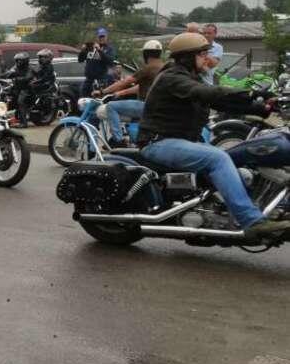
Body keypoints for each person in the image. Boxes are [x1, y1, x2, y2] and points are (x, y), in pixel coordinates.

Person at [138, 33, 290, 237]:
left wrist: (262, 108)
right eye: (202, 54)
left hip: (182, 141)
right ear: (187, 57)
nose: (207, 59)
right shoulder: (172, 78)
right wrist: (251, 93)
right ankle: (251, 221)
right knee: (218, 158)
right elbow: (209, 93)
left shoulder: (191, 78)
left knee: (240, 160)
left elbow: (220, 101)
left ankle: (250, 209)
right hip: (158, 142)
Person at [95, 41, 164, 144]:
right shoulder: (163, 67)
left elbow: (124, 82)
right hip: (158, 106)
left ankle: (118, 140)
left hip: (145, 105)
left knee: (111, 106)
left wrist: (102, 91)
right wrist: (121, 93)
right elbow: (138, 87)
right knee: (134, 120)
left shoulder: (148, 68)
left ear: (146, 54)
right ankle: (132, 141)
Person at [79, 28, 115, 96]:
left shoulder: (109, 48)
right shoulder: (90, 47)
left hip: (101, 79)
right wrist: (82, 51)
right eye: (100, 37)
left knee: (99, 98)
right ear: (97, 37)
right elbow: (80, 60)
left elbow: (110, 61)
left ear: (106, 37)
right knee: (83, 98)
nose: (101, 38)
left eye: (103, 36)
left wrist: (99, 50)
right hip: (89, 80)